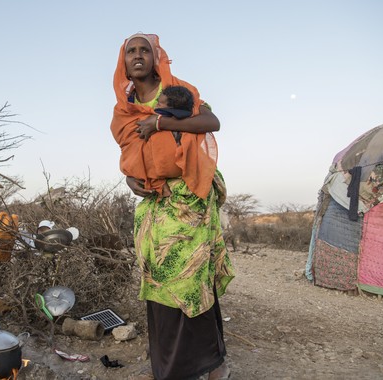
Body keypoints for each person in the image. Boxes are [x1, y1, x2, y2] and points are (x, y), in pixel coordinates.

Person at [110, 33, 234, 380]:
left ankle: (213, 366)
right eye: (130, 51)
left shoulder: (179, 92)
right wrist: (129, 178)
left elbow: (211, 123)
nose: (137, 56)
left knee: (189, 281)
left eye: (144, 50)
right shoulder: (123, 109)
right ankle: (169, 368)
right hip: (154, 205)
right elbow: (130, 152)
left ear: (156, 57)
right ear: (124, 62)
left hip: (189, 197)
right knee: (160, 285)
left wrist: (162, 121)